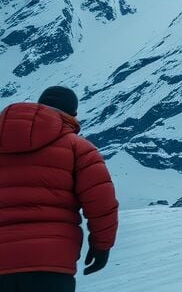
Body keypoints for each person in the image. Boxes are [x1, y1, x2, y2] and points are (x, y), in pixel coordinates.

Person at [0, 86, 119, 292]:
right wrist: (102, 246)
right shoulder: (79, 148)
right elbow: (101, 203)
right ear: (73, 114)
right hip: (51, 263)